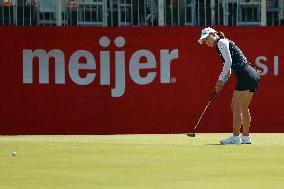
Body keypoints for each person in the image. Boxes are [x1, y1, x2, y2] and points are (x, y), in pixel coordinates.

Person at [198, 27, 260, 145]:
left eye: (207, 38)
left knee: (235, 105)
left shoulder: (221, 42)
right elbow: (229, 70)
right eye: (205, 41)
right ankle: (246, 137)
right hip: (252, 74)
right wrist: (221, 83)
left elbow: (228, 63)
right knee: (244, 107)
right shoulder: (223, 44)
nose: (207, 42)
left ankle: (236, 137)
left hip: (245, 74)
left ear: (213, 34)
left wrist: (220, 80)